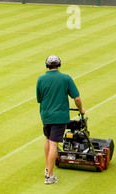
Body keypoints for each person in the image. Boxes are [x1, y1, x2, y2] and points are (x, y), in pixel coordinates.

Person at [36, 55, 85, 184]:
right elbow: (77, 99)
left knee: (47, 139)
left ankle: (47, 168)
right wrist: (81, 110)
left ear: (47, 65)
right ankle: (50, 175)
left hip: (45, 115)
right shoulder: (65, 78)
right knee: (54, 143)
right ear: (59, 64)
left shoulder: (41, 79)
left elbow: (39, 99)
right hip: (59, 116)